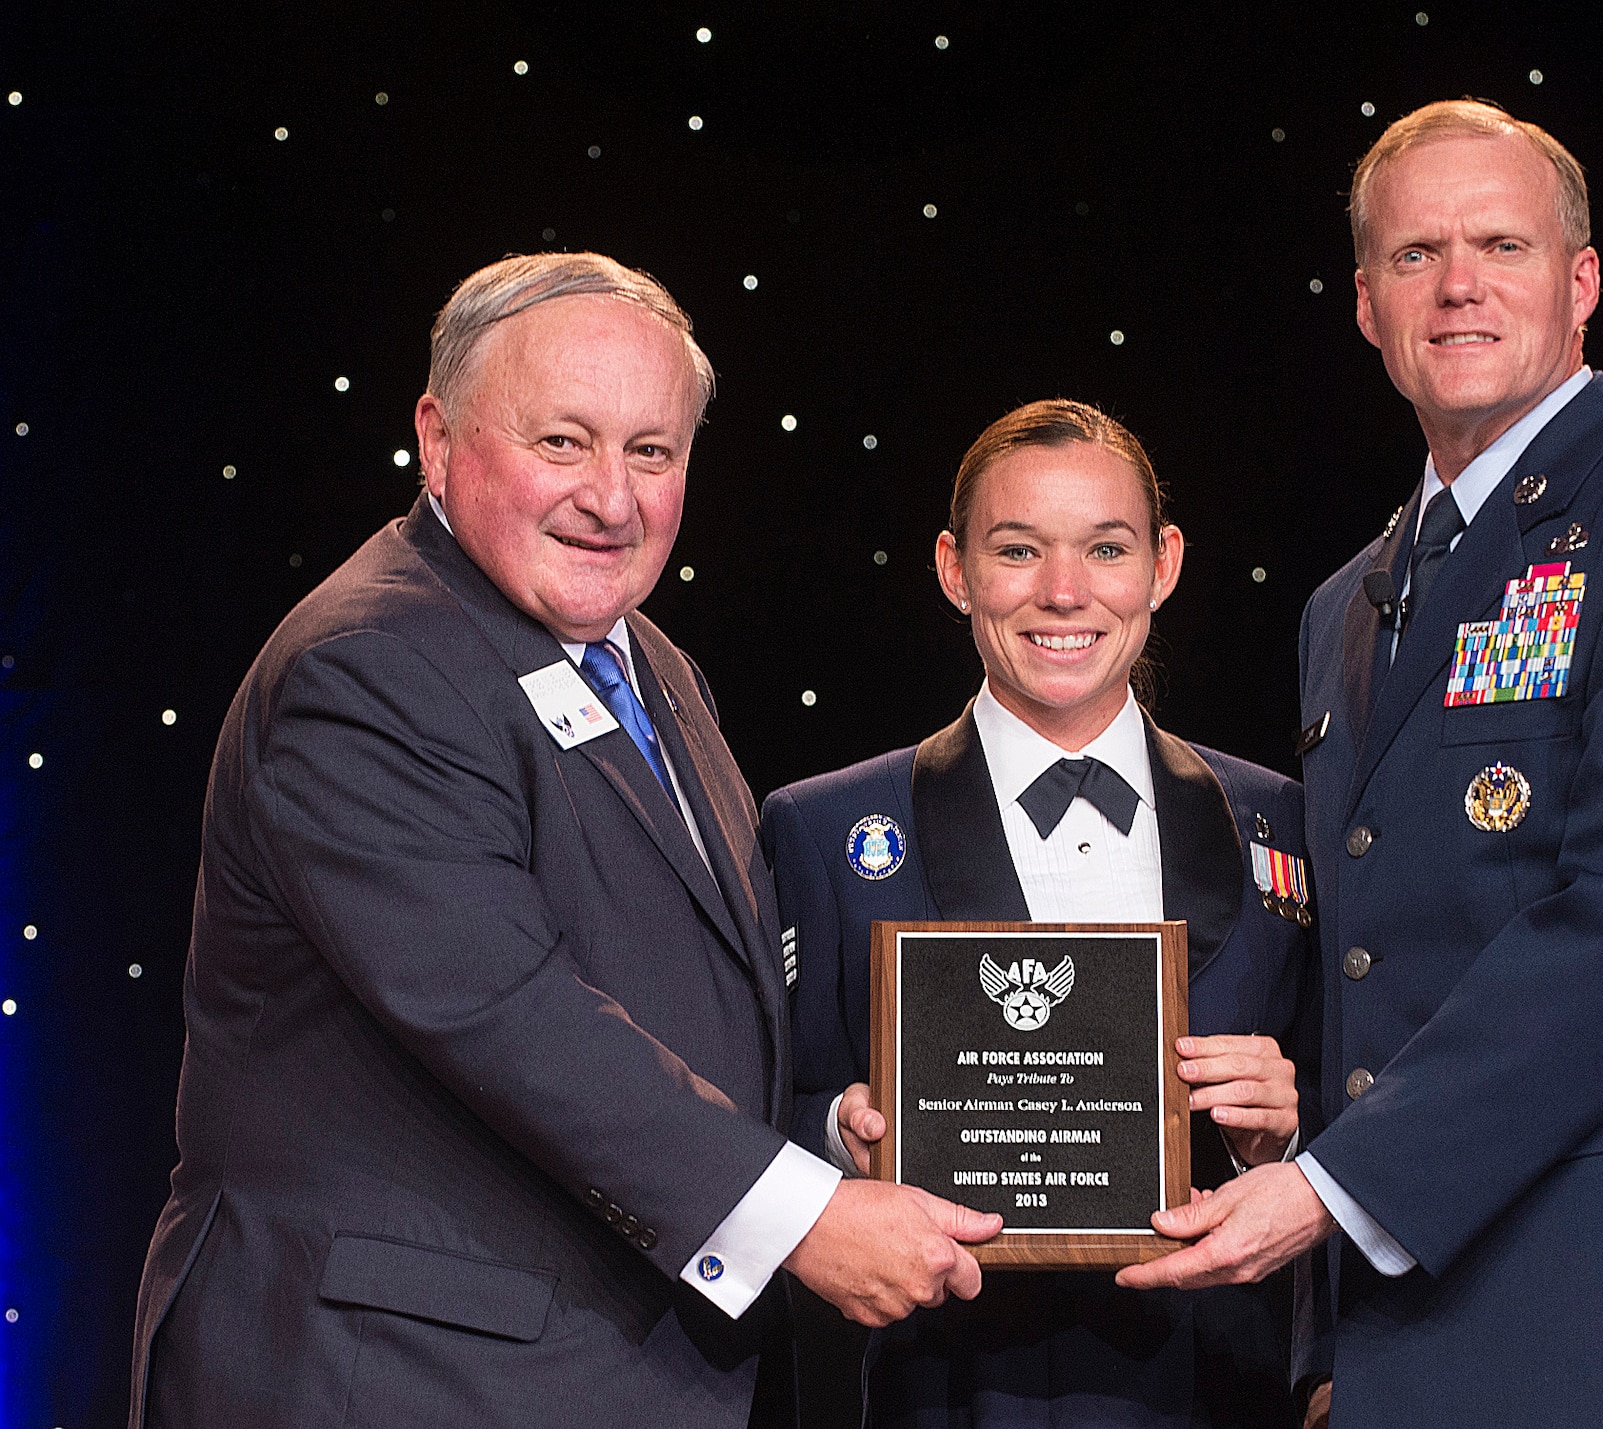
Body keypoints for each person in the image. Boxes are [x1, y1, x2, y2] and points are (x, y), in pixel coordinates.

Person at [128, 252, 1000, 1429]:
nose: (612, 496)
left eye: (651, 451)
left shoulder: (652, 666)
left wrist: (825, 1131)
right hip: (392, 1378)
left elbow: (679, 991)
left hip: (584, 1370)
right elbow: (504, 1006)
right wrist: (795, 1214)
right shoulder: (370, 665)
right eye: (561, 443)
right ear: (437, 441)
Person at [1117, 101, 1603, 1429]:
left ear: (1582, 281)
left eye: (1501, 242)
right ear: (1368, 304)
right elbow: (1368, 963)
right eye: (1416, 253)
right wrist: (1306, 1218)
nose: (1460, 285)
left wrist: (1330, 1192)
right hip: (1391, 1324)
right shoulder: (1345, 603)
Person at [760, 400, 1320, 1427]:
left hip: (1211, 1390)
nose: (1062, 593)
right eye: (1016, 549)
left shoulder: (1279, 822)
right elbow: (745, 1115)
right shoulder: (822, 828)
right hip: (934, 1388)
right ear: (952, 567)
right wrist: (841, 1135)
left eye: (1104, 548)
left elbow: (1362, 1108)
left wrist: (1281, 1137)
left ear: (1162, 564)